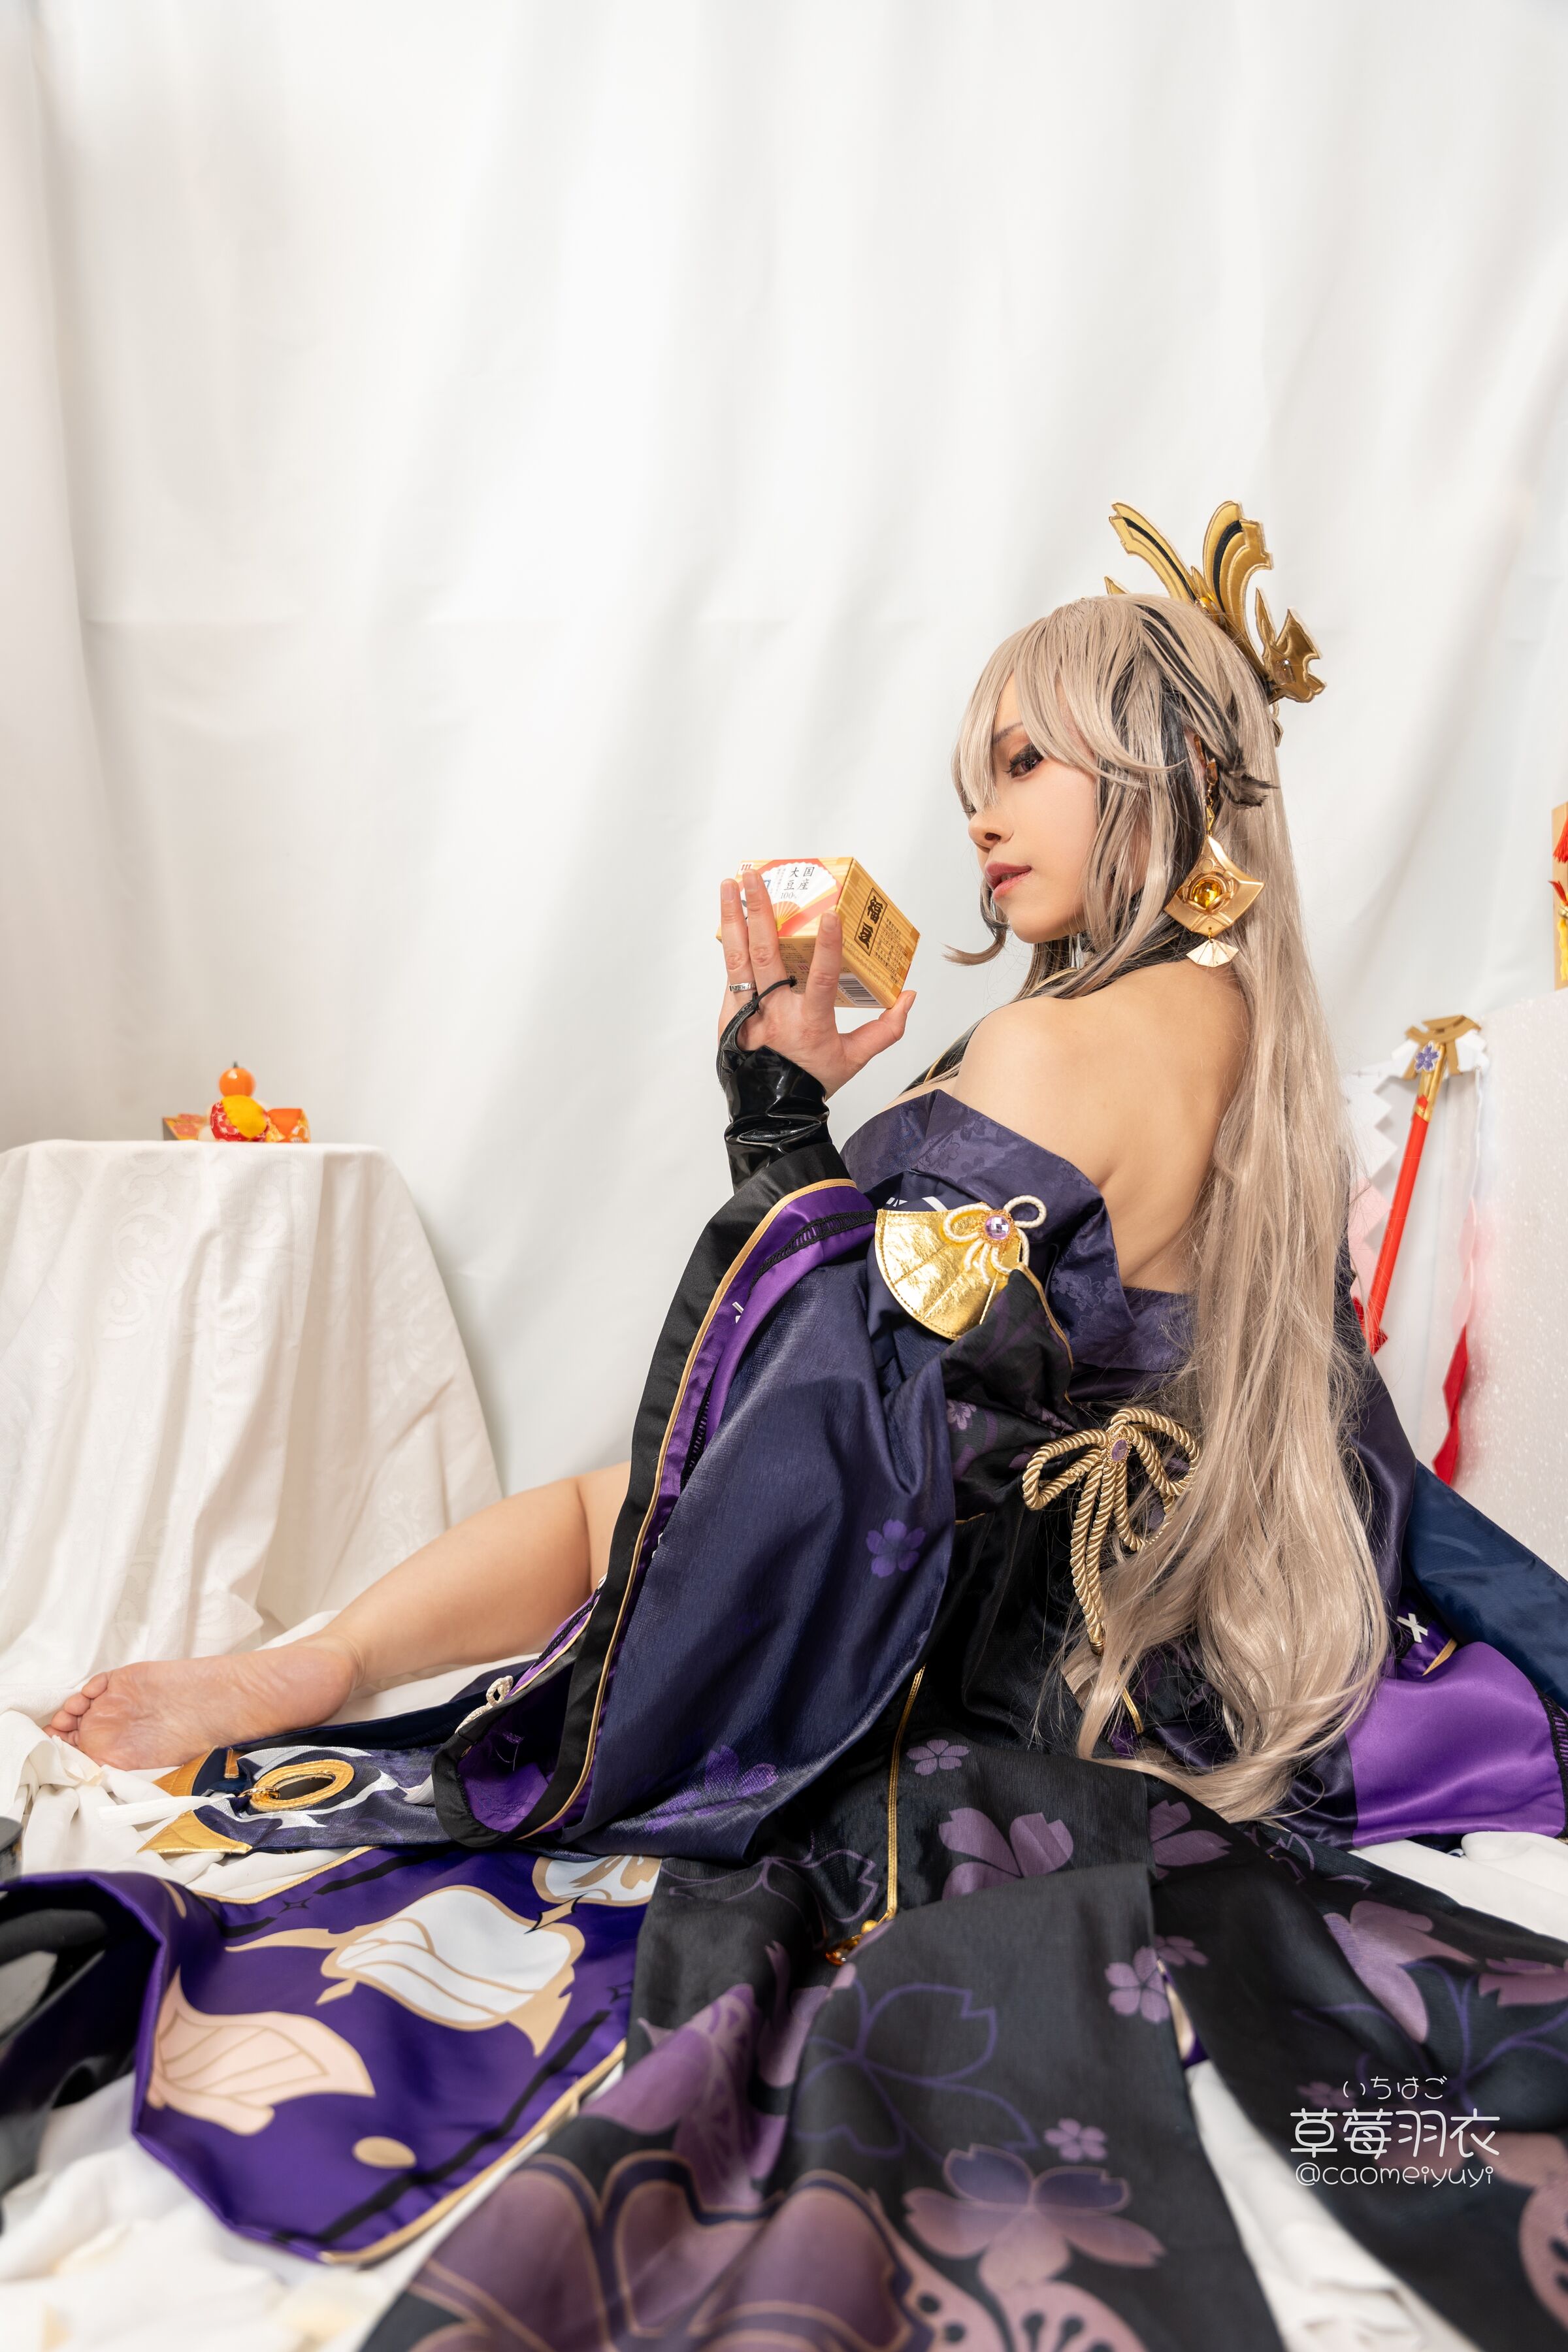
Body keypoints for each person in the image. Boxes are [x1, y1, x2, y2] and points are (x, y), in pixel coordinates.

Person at [12, 505, 1568, 2350]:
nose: (981, 815)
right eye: (975, 776)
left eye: (1024, 763)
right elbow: (1284, 1421)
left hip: (971, 1649)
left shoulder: (1056, 1049)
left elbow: (818, 1404)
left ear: (1155, 773)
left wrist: (774, 1105)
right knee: (629, 1500)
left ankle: (299, 1674)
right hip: (1146, 1655)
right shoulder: (1253, 1048)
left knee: (633, 1508)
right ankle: (302, 1668)